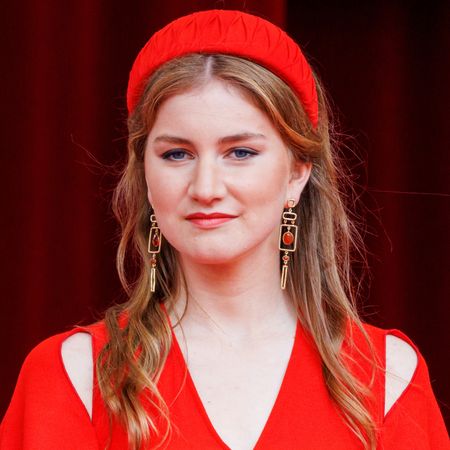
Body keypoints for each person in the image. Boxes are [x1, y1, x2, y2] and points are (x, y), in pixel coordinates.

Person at [1, 9, 448, 450]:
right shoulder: (73, 375)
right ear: (145, 176)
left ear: (297, 172)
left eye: (240, 152)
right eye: (177, 154)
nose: (206, 188)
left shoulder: (387, 377)